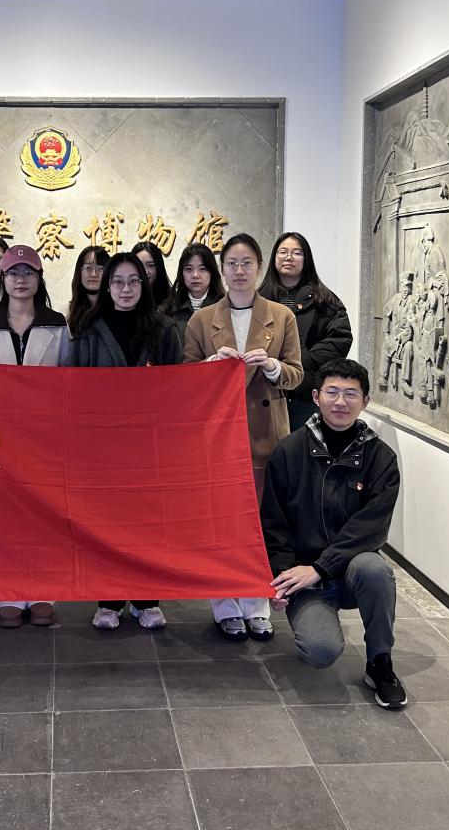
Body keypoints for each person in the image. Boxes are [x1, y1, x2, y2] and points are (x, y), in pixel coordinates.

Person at [260, 358, 407, 709]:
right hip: (305, 576)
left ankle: (380, 663)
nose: (341, 402)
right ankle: (315, 620)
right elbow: (274, 523)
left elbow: (370, 527)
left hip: (351, 571)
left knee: (375, 569)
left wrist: (321, 567)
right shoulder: (288, 452)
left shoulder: (381, 458)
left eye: (351, 394)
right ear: (316, 396)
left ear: (366, 401)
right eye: (333, 392)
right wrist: (279, 578)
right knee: (321, 652)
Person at [183, 232, 302, 642]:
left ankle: (257, 603)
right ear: (222, 270)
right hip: (217, 436)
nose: (239, 271)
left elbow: (297, 374)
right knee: (220, 524)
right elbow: (184, 377)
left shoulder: (281, 317)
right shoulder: (202, 320)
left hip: (265, 433)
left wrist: (271, 367)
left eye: (246, 263)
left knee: (259, 523)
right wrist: (211, 366)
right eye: (231, 263)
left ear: (259, 268)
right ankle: (225, 606)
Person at [70, 251, 182, 631]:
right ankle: (110, 599)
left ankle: (147, 599)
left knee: (148, 522)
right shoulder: (89, 328)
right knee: (108, 523)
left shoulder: (164, 329)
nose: (126, 289)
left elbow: (178, 385)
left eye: (134, 281)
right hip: (104, 446)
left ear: (145, 285)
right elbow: (74, 386)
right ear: (106, 286)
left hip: (150, 444)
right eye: (117, 281)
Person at [0, 245, 69, 627]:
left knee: (44, 514)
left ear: (39, 278)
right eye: (13, 273)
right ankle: (8, 593)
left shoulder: (57, 324)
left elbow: (69, 378)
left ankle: (43, 591)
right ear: (3, 278)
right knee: (3, 516)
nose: (21, 280)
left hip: (45, 436)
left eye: (28, 272)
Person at [260, 231, 353, 429]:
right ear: (274, 257)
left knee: (302, 446)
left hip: (305, 395)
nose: (289, 257)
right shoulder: (258, 299)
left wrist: (303, 360)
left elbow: (340, 338)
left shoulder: (324, 299)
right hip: (264, 394)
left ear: (306, 259)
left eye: (297, 253)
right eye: (283, 252)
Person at [162, 242, 225, 346]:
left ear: (212, 272)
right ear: (181, 273)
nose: (195, 275)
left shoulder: (224, 307)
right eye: (189, 269)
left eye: (202, 269)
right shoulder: (168, 309)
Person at [66, 245, 110, 337]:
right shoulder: (71, 312)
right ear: (79, 272)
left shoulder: (117, 308)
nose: (94, 274)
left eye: (100, 268)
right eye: (88, 268)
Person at [132, 240, 173, 308]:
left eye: (150, 265)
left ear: (158, 267)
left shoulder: (171, 299)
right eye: (139, 265)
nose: (145, 271)